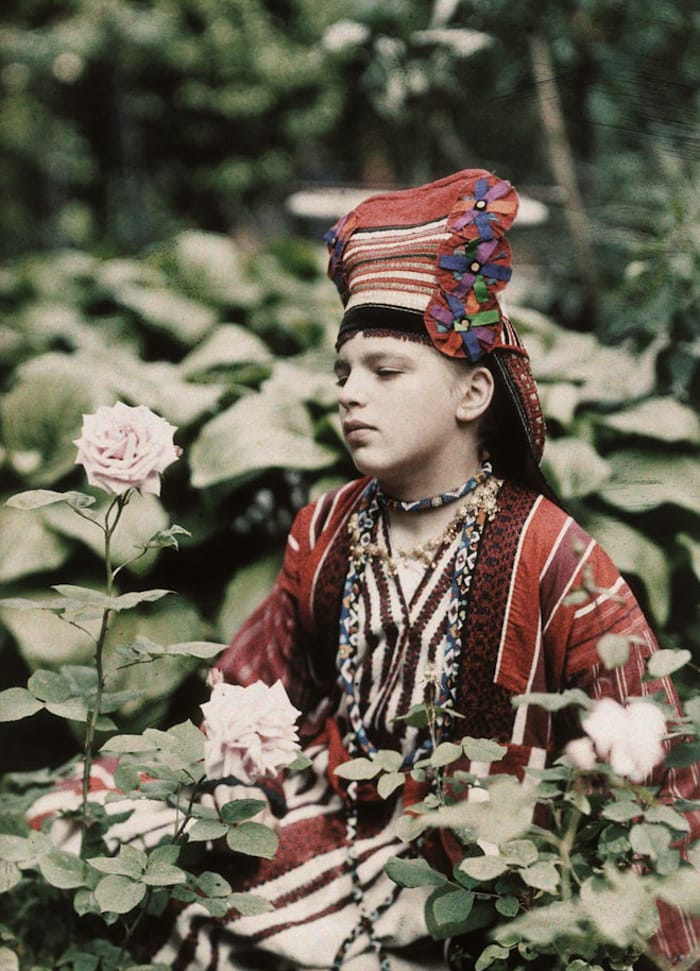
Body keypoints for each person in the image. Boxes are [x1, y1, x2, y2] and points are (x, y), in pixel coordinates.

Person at [31, 169, 700, 970]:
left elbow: (653, 758)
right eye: (343, 372)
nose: (351, 394)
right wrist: (225, 781)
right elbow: (258, 683)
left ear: (473, 393)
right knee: (112, 828)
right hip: (339, 798)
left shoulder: (552, 554)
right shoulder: (327, 527)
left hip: (479, 853)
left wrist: (662, 937)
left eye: (385, 371)